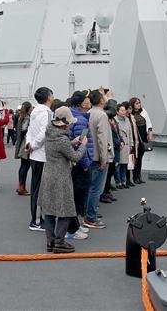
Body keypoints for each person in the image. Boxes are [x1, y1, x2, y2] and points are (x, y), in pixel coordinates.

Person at [39, 107, 87, 253]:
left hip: (48, 175)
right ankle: (59, 242)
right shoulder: (62, 139)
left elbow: (60, 149)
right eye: (69, 122)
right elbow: (75, 157)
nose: (71, 125)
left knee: (50, 210)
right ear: (64, 123)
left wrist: (72, 143)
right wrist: (82, 146)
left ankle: (50, 242)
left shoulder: (50, 134)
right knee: (66, 210)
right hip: (61, 178)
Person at [26, 87, 53, 231]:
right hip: (42, 155)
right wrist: (35, 145)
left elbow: (30, 130)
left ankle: (37, 219)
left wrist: (29, 144)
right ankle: (36, 221)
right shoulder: (47, 112)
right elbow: (45, 131)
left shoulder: (35, 110)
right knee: (39, 190)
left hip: (34, 154)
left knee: (36, 188)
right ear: (49, 96)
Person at [84, 89, 110, 229]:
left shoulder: (88, 113)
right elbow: (102, 139)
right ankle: (91, 217)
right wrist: (104, 159)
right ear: (100, 100)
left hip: (88, 155)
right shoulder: (102, 115)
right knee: (96, 189)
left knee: (89, 187)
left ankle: (88, 213)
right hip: (98, 157)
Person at [68, 91, 92, 239]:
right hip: (80, 164)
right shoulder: (80, 120)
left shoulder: (77, 117)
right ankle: (72, 229)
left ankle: (75, 225)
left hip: (77, 162)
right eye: (87, 99)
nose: (89, 101)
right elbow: (80, 144)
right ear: (82, 103)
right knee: (78, 196)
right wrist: (84, 163)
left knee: (77, 195)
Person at [129, 97, 152, 184]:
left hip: (143, 137)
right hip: (136, 139)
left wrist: (149, 132)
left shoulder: (143, 111)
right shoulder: (131, 114)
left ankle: (139, 176)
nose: (138, 104)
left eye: (139, 103)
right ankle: (135, 177)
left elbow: (149, 122)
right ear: (132, 104)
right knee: (136, 158)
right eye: (136, 103)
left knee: (140, 157)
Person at [13, 102, 33, 196]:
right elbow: (24, 129)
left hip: (22, 143)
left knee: (23, 166)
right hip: (26, 143)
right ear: (29, 109)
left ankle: (20, 186)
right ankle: (22, 187)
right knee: (25, 166)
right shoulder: (27, 118)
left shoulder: (21, 116)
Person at [114, 103, 133, 189]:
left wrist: (131, 144)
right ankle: (118, 182)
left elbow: (130, 133)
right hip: (119, 144)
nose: (123, 112)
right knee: (118, 165)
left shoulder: (127, 120)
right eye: (121, 110)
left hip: (126, 144)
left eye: (124, 110)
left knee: (124, 165)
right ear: (117, 111)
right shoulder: (114, 120)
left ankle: (123, 181)